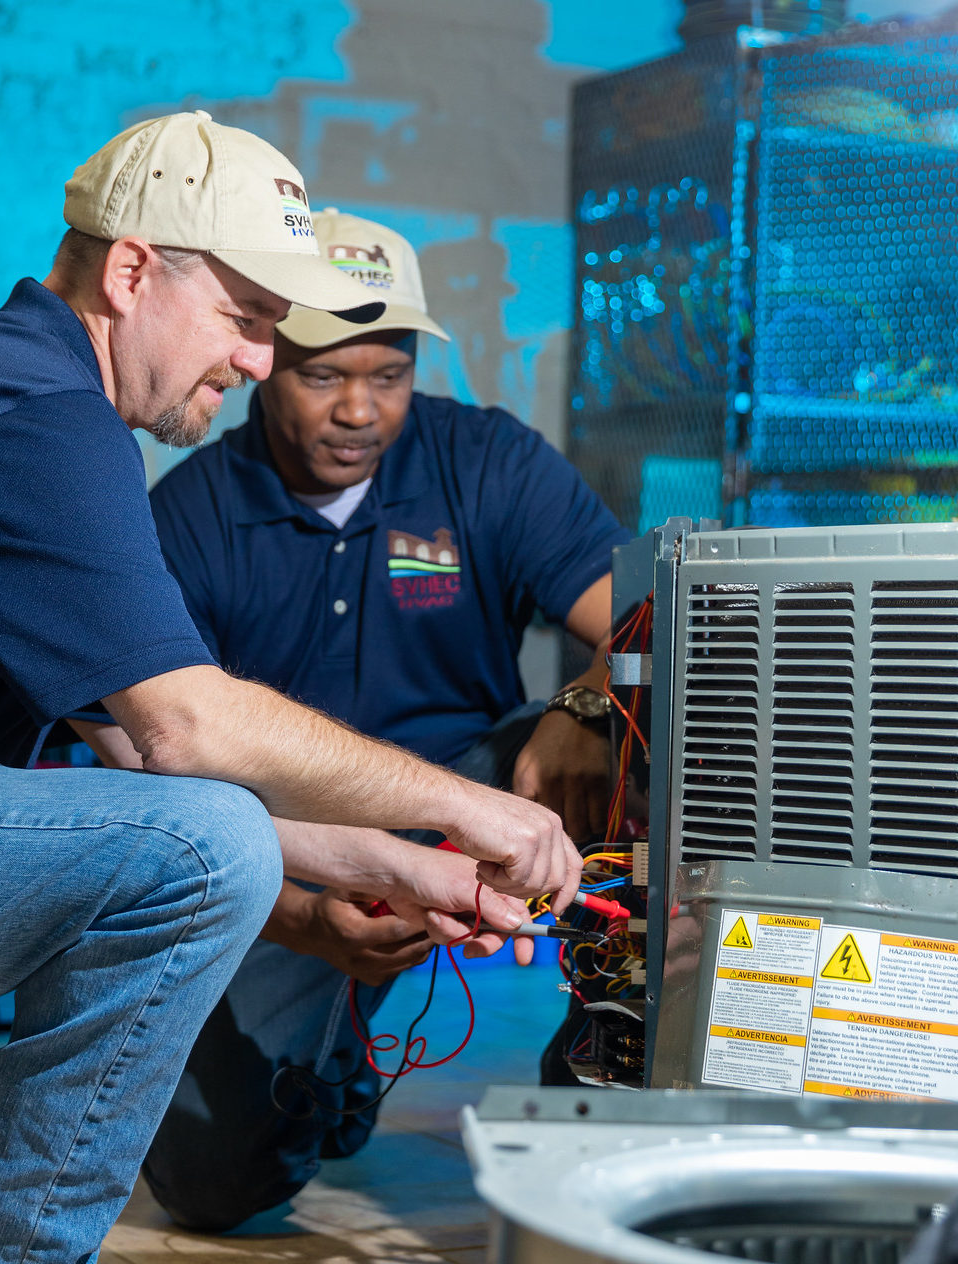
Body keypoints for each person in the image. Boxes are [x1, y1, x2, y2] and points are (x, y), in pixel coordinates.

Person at [0, 117, 581, 1264]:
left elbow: (119, 751)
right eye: (248, 317)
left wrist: (410, 868)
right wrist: (473, 808)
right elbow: (183, 737)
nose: (261, 359)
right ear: (131, 271)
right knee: (210, 841)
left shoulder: (18, 395)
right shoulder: (33, 408)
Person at [135, 208, 631, 1231]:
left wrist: (586, 703)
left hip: (479, 793)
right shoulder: (190, 517)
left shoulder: (485, 463)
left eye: (389, 374)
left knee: (650, 734)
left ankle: (604, 1070)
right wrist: (302, 912)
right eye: (324, 376)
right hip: (299, 842)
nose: (360, 408)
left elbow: (640, 620)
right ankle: (333, 1060)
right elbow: (152, 765)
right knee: (211, 1184)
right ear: (264, 355)